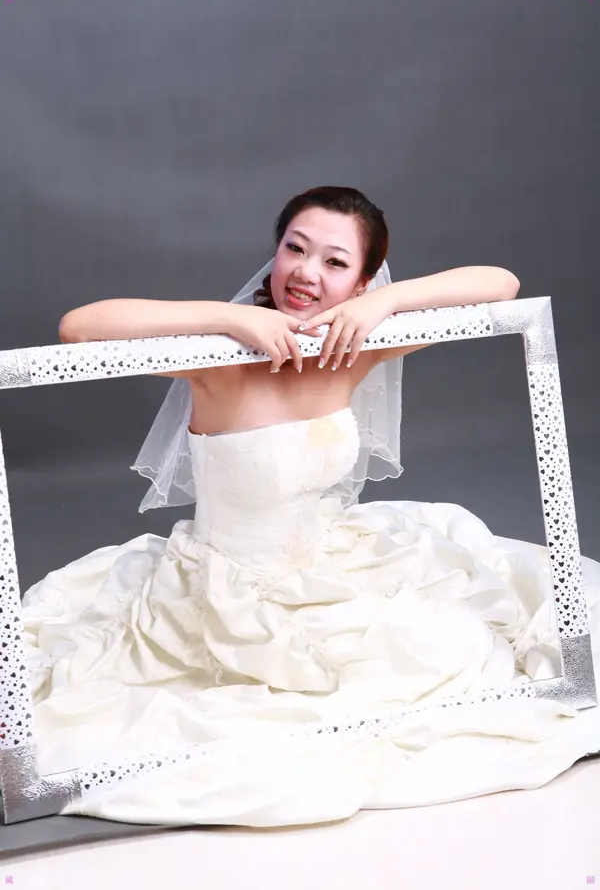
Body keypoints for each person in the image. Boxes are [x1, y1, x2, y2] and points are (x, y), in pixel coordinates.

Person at [21, 186, 600, 827]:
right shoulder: (219, 361)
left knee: (453, 649)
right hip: (228, 589)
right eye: (295, 249)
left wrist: (386, 302)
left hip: (329, 564)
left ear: (360, 282)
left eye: (335, 262)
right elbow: (79, 327)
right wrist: (230, 319)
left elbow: (501, 284)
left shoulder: (351, 350)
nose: (306, 272)